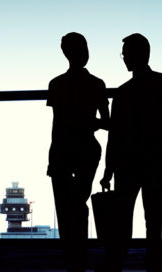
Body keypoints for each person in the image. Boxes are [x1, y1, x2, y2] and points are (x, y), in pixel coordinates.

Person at [100, 33, 162, 270]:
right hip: (156, 156)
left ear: (136, 55)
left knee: (122, 216)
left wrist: (108, 169)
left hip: (127, 161)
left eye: (125, 54)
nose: (124, 58)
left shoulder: (123, 93)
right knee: (154, 216)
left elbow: (115, 135)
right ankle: (153, 262)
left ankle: (116, 262)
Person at [46, 32, 109, 271]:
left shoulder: (57, 84)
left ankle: (72, 257)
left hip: (62, 150)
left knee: (65, 207)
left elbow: (57, 124)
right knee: (78, 204)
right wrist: (89, 122)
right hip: (86, 149)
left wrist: (53, 156)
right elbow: (107, 122)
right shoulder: (96, 84)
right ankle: (79, 256)